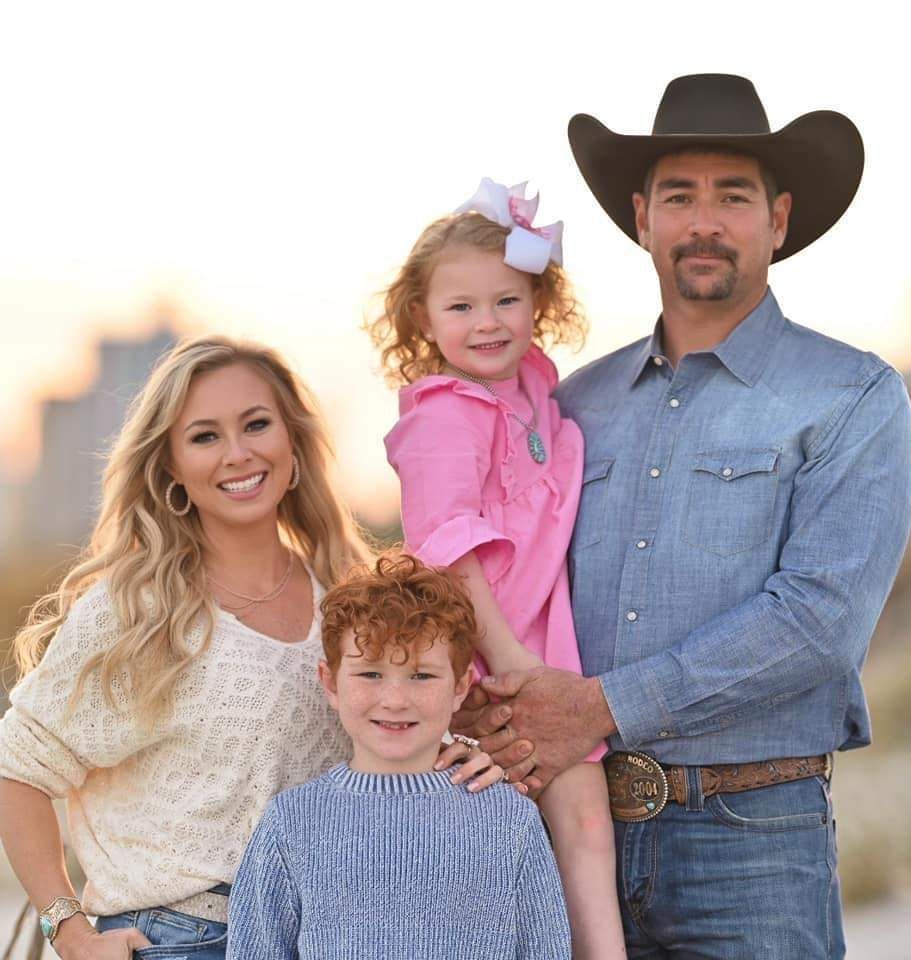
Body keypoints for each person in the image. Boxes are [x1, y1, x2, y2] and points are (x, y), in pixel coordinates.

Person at [453, 74, 911, 958]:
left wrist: (599, 708)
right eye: (678, 196)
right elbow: (515, 581)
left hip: (751, 840)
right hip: (564, 827)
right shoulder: (571, 407)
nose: (704, 221)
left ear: (776, 220)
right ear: (640, 218)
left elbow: (818, 622)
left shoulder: (852, 396)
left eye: (731, 196)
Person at [0, 335, 499, 960]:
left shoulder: (354, 602)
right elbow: (15, 769)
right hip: (181, 939)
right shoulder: (139, 612)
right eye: (205, 436)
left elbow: (392, 729)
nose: (238, 454)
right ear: (172, 468)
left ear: (292, 444)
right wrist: (68, 930)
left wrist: (462, 759)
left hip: (331, 932)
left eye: (256, 425)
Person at [369, 179, 626, 959]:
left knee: (583, 823)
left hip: (546, 642)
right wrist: (512, 665)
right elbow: (446, 550)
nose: (486, 323)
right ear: (421, 316)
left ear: (539, 303)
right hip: (492, 651)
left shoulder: (536, 390)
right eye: (460, 307)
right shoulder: (443, 415)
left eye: (507, 301)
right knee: (505, 837)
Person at [227, 551, 571, 960]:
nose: (394, 700)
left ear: (460, 686)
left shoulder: (510, 822)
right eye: (370, 674)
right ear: (330, 682)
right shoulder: (291, 822)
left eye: (421, 675)